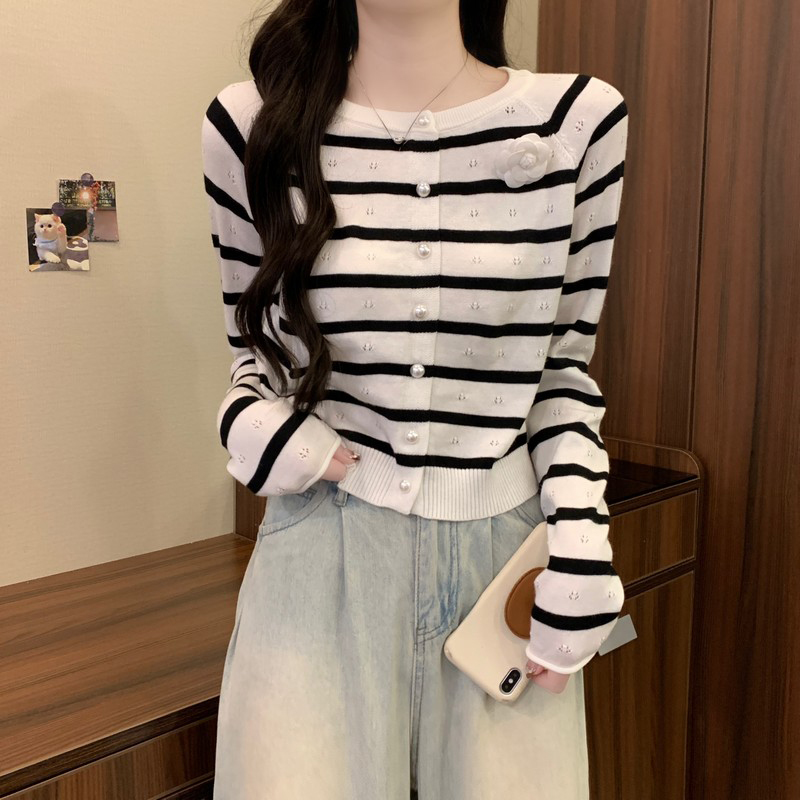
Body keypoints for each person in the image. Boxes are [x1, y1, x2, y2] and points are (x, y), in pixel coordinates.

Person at [201, 1, 628, 797]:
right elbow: (254, 361)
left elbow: (561, 375)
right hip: (320, 555)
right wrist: (258, 429)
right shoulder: (251, 125)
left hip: (502, 566)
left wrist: (581, 536)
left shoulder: (578, 121)